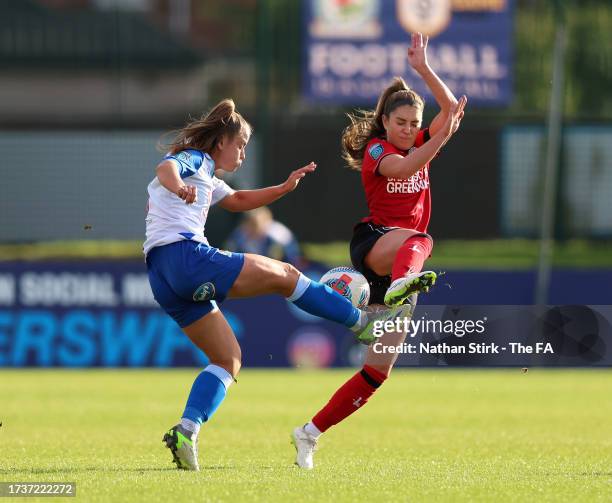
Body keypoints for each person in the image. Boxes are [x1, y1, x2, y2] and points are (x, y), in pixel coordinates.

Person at [144, 98, 412, 471]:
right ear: (221, 141)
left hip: (161, 276)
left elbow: (237, 200)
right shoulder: (195, 159)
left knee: (228, 359)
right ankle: (361, 323)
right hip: (185, 258)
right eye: (240, 145)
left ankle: (186, 431)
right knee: (286, 276)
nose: (242, 153)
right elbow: (166, 168)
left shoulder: (207, 175)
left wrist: (283, 188)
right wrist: (178, 189)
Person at [291, 33, 467, 469]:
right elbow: (407, 165)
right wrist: (441, 137)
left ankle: (308, 434)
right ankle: (397, 282)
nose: (408, 129)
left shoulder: (420, 139)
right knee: (421, 239)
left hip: (404, 267)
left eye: (414, 123)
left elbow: (448, 111)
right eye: (401, 122)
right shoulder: (377, 149)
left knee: (376, 372)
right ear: (386, 123)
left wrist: (424, 69)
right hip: (378, 243)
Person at [225, 206, 303, 266]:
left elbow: (290, 261)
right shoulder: (240, 233)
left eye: (254, 225)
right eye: (248, 224)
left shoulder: (278, 237)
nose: (250, 229)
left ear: (266, 223)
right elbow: (229, 256)